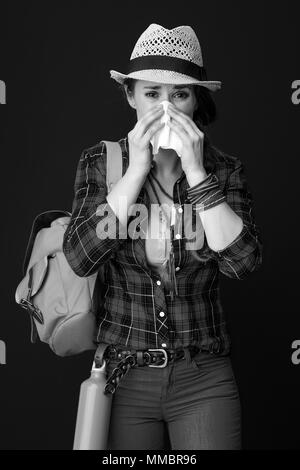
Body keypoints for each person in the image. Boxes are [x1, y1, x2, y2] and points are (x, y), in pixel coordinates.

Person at [63, 23, 263, 450]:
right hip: (123, 375)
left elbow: (243, 262)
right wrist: (136, 171)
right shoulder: (102, 162)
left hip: (203, 376)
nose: (165, 109)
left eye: (179, 95)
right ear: (131, 96)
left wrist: (196, 174)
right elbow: (80, 257)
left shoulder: (224, 170)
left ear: (196, 102)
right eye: (152, 94)